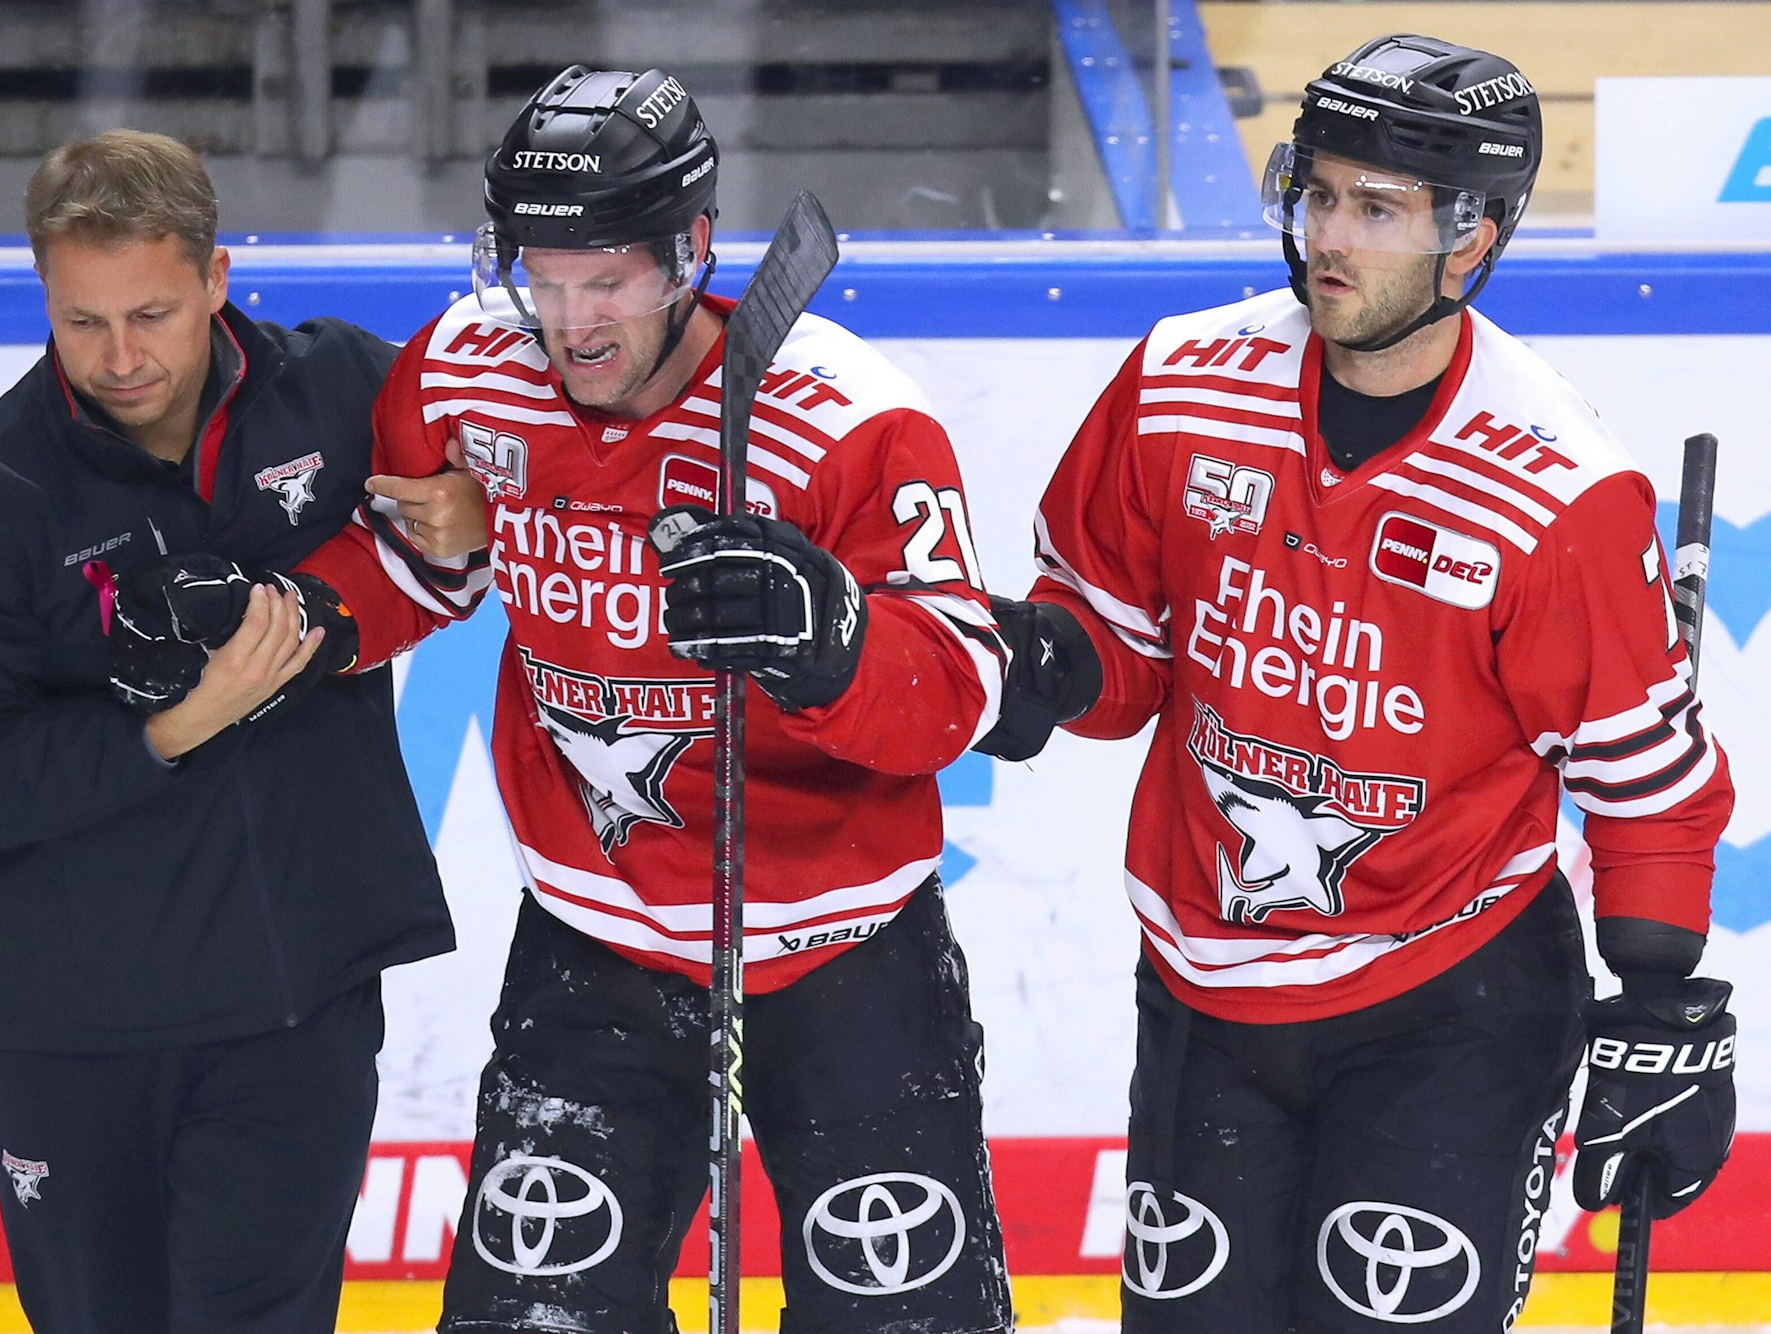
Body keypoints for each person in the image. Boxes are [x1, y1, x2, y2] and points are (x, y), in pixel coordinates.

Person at [972, 35, 1738, 1333]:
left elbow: (1647, 787)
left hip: (1451, 1004)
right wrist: (1034, 659)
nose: (1329, 235)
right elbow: (1112, 660)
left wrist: (1661, 1006)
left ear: (1475, 239)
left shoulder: (1555, 489)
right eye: (1319, 191)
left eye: (1376, 209)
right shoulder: (1179, 385)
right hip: (1207, 990)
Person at [277, 64, 1015, 1334]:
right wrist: (294, 615)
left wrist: (829, 637)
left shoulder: (842, 421)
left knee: (902, 1318)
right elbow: (411, 564)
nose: (570, 321)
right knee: (531, 1314)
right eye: (543, 279)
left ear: (690, 251)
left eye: (605, 278)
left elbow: (962, 683)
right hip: (595, 932)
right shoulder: (465, 373)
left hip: (842, 940)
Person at [0, 129, 456, 1334]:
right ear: (43, 291)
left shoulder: (341, 385)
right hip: (81, 1034)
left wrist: (464, 500)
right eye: (82, 321)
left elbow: (519, 467)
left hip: (299, 1010)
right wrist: (171, 726)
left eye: (149, 312)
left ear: (216, 277)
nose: (119, 357)